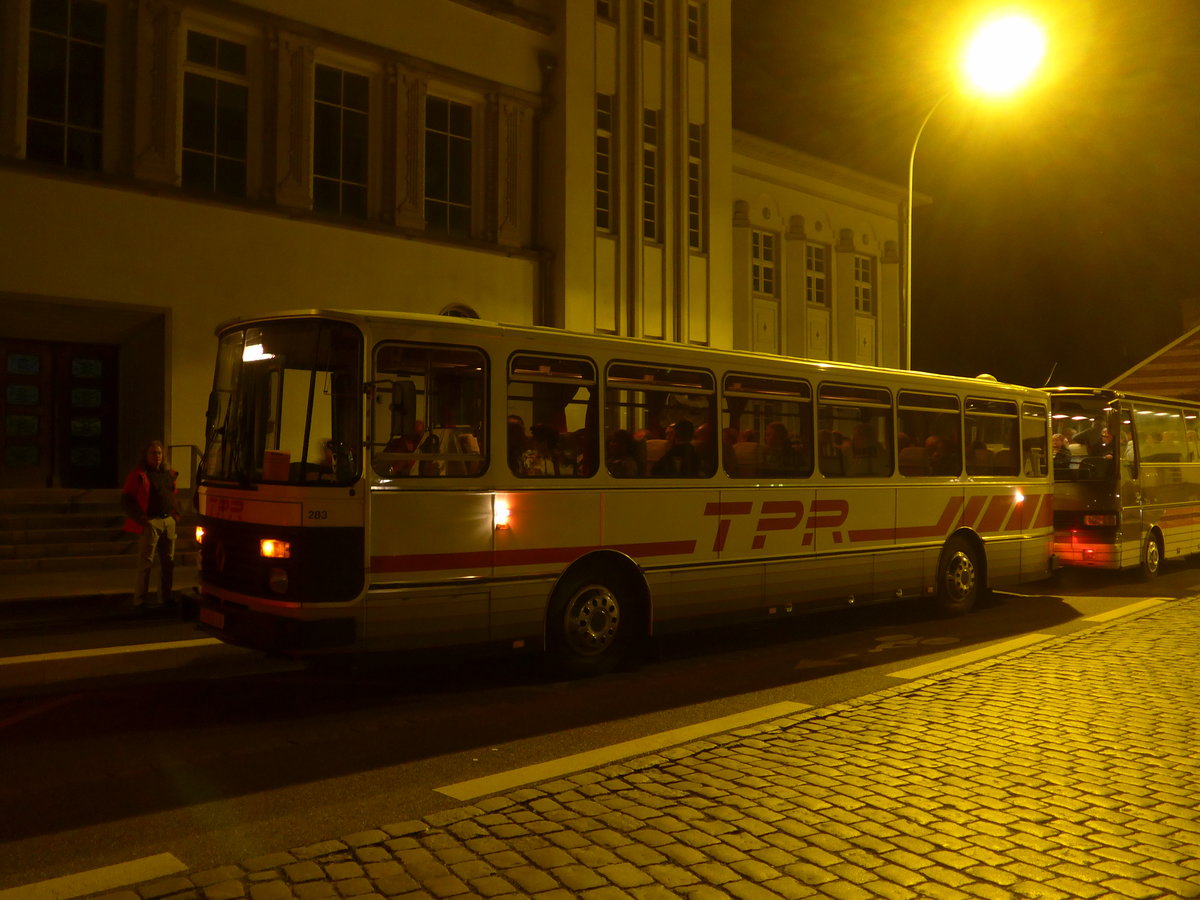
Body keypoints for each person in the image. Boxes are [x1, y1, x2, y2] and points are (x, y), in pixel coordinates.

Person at [121, 440, 179, 612]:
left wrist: (175, 515)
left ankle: (165, 598)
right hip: (150, 522)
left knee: (168, 562)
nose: (157, 456)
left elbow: (172, 495)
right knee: (146, 563)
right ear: (146, 456)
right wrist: (141, 517)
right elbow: (126, 499)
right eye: (153, 453)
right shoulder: (139, 474)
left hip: (167, 520)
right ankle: (140, 601)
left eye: (159, 453)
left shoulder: (168, 474)